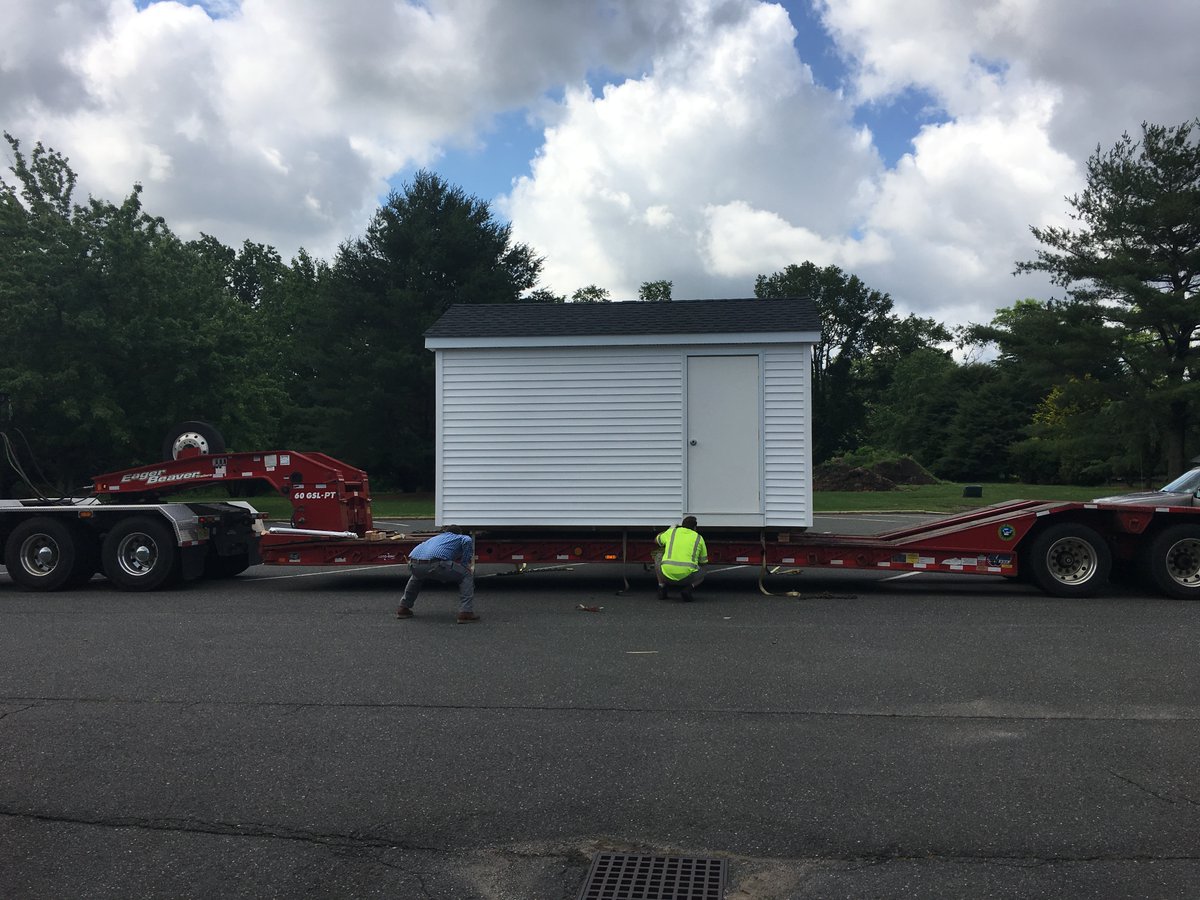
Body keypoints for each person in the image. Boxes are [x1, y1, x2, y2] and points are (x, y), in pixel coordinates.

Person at [395, 525, 479, 623]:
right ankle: (466, 612)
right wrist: (465, 564)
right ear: (458, 533)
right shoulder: (460, 537)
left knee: (416, 577)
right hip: (436, 564)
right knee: (466, 575)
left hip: (414, 563)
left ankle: (403, 608)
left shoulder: (435, 538)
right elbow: (468, 541)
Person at [654, 515, 708, 602]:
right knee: (704, 570)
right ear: (695, 527)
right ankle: (688, 589)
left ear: (682, 525)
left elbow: (657, 540)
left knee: (658, 556)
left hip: (666, 575)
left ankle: (661, 587)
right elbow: (703, 561)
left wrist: (667, 531)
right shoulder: (699, 538)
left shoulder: (672, 532)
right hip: (687, 578)